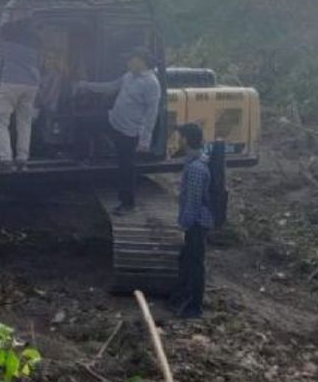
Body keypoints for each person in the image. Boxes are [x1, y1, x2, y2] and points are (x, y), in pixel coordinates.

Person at [74, 47, 161, 214]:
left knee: (126, 167)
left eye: (130, 59)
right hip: (113, 119)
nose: (127, 62)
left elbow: (152, 113)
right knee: (84, 123)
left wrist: (144, 140)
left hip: (129, 130)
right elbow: (110, 87)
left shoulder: (151, 83)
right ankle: (82, 157)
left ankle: (127, 204)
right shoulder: (128, 76)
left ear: (141, 61)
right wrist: (86, 85)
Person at [169, 123, 215, 319]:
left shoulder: (196, 168)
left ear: (186, 140)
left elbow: (194, 202)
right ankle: (183, 299)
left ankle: (195, 307)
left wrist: (184, 224)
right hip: (196, 222)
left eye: (180, 137)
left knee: (195, 264)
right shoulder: (195, 162)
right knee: (187, 260)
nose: (177, 140)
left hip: (197, 223)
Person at [0, 8, 41, 170]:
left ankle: (5, 160)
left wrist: (9, 8)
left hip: (10, 82)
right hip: (31, 85)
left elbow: (3, 24)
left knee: (1, 121)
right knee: (24, 122)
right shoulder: (35, 39)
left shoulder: (9, 32)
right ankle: (22, 158)